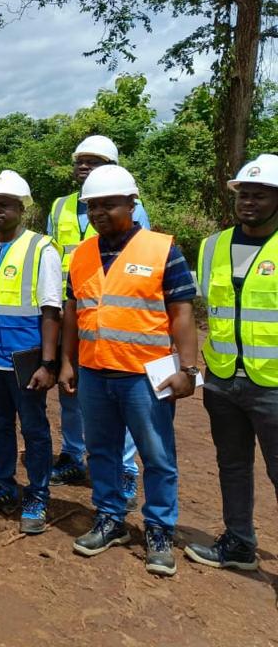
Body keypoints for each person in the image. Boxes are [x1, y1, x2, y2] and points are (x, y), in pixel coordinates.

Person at [59, 165, 198, 577]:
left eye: (108, 204)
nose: (98, 213)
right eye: (92, 206)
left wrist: (188, 369)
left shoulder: (162, 249)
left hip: (146, 375)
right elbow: (73, 312)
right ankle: (110, 518)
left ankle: (158, 529)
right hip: (95, 373)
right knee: (100, 452)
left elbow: (182, 313)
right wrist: (68, 361)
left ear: (132, 204)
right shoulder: (81, 254)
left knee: (157, 456)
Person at [185, 155, 278, 572]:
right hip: (222, 380)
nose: (249, 202)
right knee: (233, 465)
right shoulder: (212, 247)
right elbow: (201, 308)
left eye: (260, 195)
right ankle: (239, 543)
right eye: (244, 194)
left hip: (273, 385)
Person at [47, 135, 149, 499]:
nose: (84, 166)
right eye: (80, 160)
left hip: (116, 317)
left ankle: (123, 469)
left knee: (116, 393)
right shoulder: (59, 207)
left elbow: (143, 262)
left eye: (95, 160)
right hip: (68, 310)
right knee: (69, 386)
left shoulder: (131, 208)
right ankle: (73, 454)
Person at [0, 170, 62, 535]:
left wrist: (49, 363)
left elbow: (52, 309)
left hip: (24, 358)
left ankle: (37, 494)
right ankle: (3, 485)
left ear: (22, 208)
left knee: (34, 429)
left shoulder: (41, 248)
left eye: (4, 205)